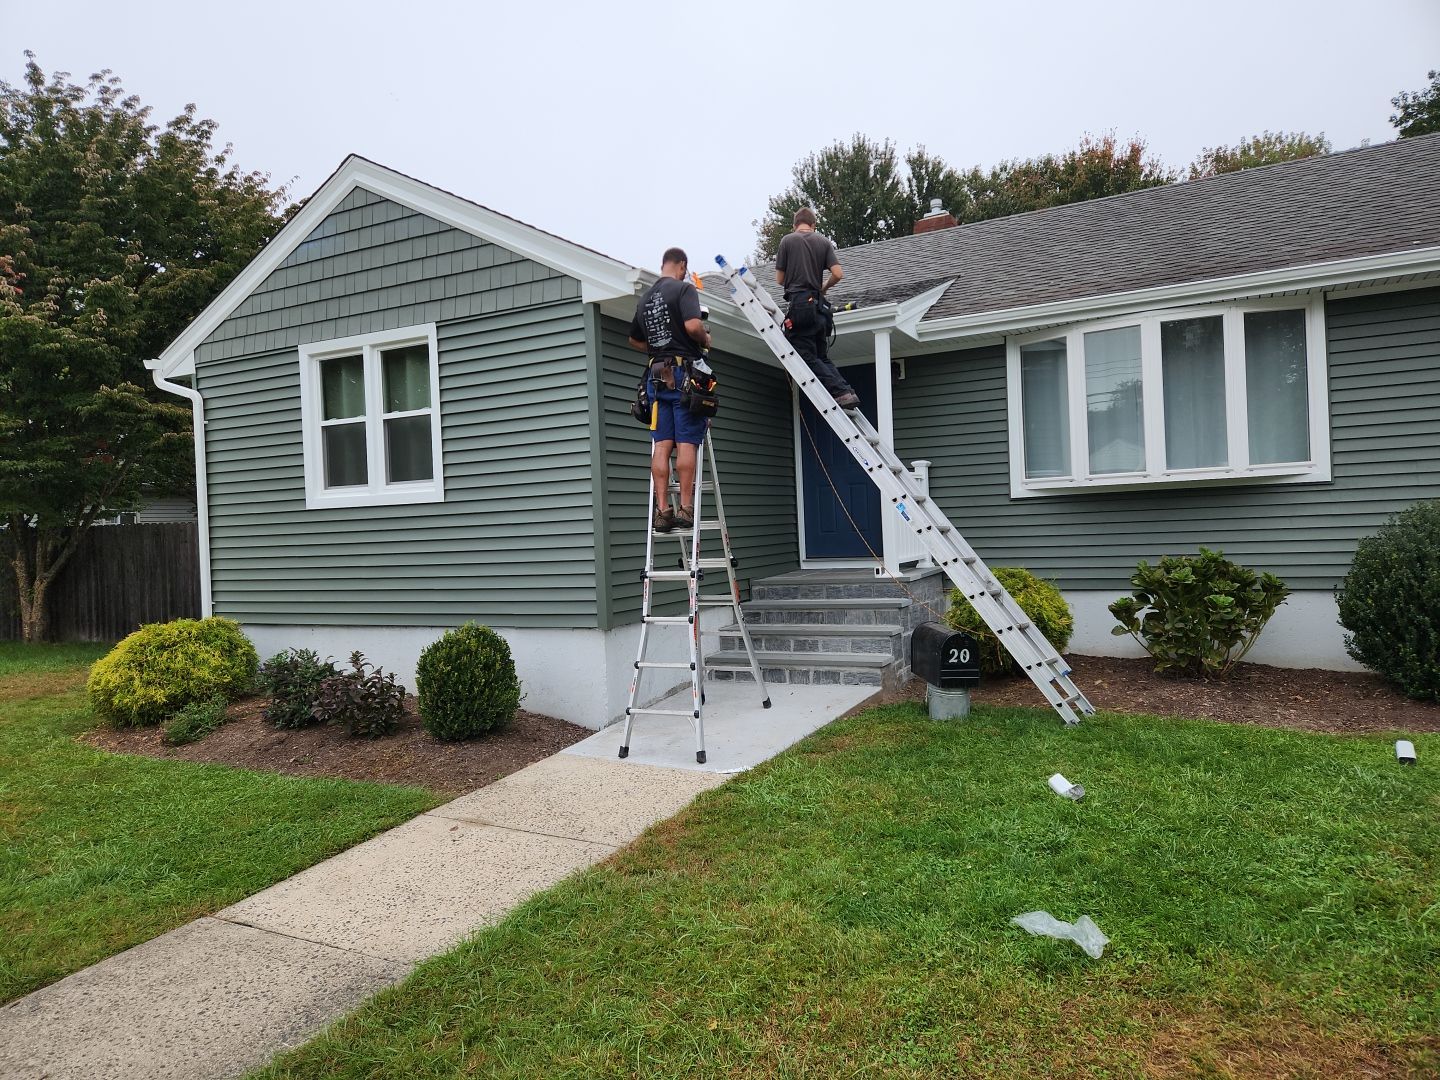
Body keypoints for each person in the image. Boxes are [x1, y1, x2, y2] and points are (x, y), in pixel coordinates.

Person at [628, 247, 712, 533]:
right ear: (682, 266)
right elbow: (692, 325)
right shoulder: (684, 289)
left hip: (654, 377)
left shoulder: (645, 298)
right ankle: (686, 509)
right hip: (682, 373)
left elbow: (635, 340)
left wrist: (656, 347)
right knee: (686, 442)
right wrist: (705, 339)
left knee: (663, 444)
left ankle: (663, 511)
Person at [775, 207, 860, 407]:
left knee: (804, 354)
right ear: (813, 225)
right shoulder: (823, 242)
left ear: (794, 225)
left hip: (801, 305)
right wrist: (823, 288)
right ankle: (846, 391)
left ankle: (840, 392)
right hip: (821, 308)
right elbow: (838, 274)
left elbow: (779, 279)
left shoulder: (787, 241)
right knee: (821, 356)